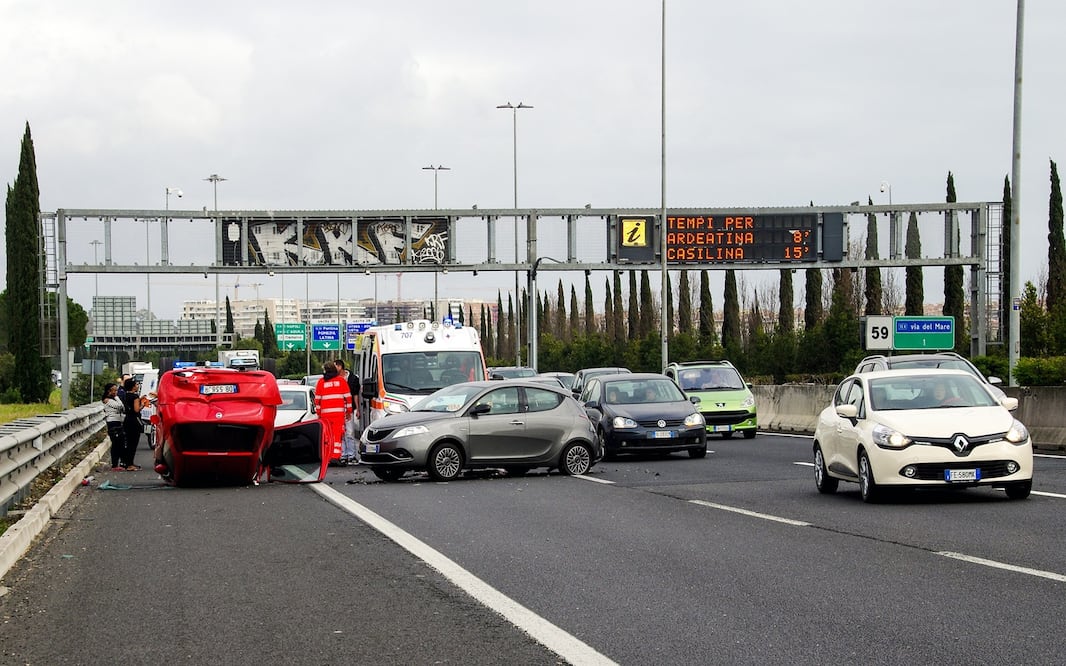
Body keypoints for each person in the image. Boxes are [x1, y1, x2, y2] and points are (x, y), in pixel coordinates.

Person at [315, 362, 354, 466]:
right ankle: (335, 457)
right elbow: (348, 398)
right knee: (337, 436)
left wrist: (319, 413)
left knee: (327, 437)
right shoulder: (341, 381)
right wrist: (349, 411)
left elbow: (317, 400)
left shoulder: (321, 382)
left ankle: (328, 457)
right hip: (338, 415)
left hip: (325, 416)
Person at [334, 358, 360, 464]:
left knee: (350, 432)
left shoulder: (353, 379)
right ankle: (343, 455)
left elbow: (355, 395)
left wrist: (357, 409)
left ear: (340, 367)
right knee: (341, 433)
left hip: (349, 409)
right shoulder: (334, 379)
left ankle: (352, 455)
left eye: (335, 366)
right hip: (338, 410)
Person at [101, 383, 127, 471]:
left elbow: (122, 407)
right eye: (114, 390)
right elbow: (119, 406)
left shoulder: (113, 399)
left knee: (120, 443)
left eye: (116, 390)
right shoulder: (107, 400)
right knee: (116, 444)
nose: (116, 392)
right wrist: (116, 397)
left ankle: (120, 462)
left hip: (118, 422)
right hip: (112, 422)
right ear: (109, 391)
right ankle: (114, 464)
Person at [119, 377, 143, 470]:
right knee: (133, 443)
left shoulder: (125, 395)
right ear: (133, 387)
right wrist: (142, 405)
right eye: (136, 385)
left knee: (128, 442)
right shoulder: (134, 396)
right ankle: (130, 464)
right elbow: (136, 409)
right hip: (134, 420)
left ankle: (126, 462)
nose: (137, 386)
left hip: (127, 420)